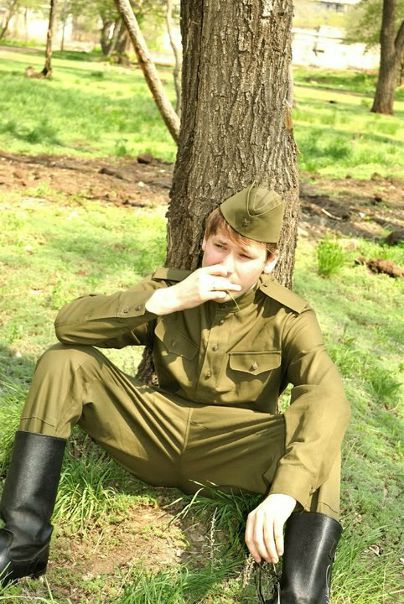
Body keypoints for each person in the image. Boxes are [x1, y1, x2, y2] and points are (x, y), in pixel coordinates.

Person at [0, 184, 350, 603]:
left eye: (245, 256)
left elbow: (327, 396)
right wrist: (165, 300)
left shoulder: (288, 317)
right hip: (152, 432)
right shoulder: (171, 289)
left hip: (232, 452)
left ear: (269, 262)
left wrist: (284, 494)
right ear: (203, 242)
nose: (227, 266)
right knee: (64, 361)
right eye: (219, 247)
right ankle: (22, 544)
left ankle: (302, 594)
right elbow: (69, 326)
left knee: (322, 430)